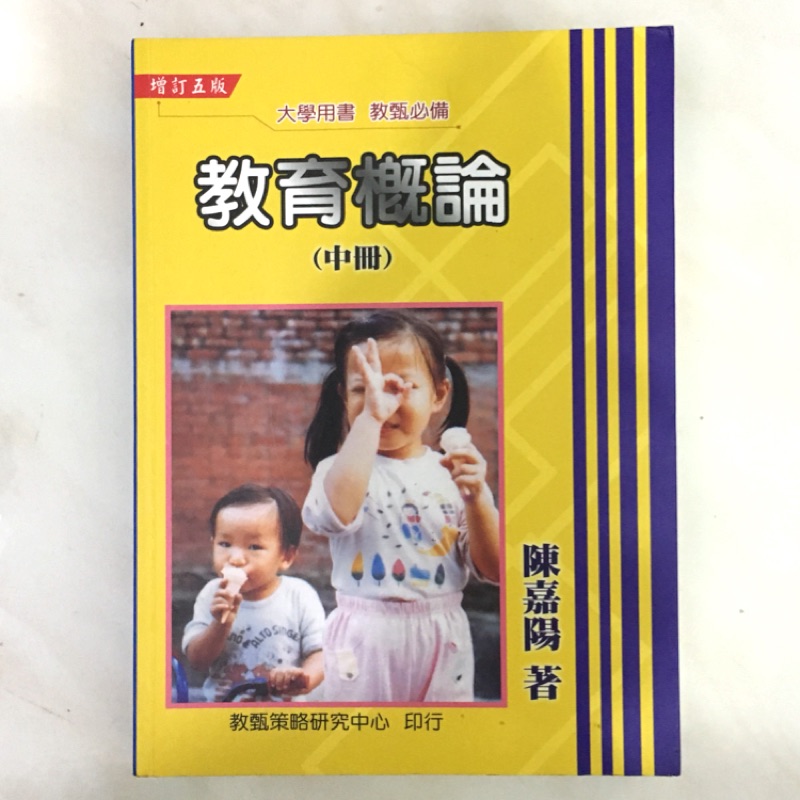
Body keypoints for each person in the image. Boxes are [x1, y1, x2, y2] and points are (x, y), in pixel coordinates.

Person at [302, 310, 499, 702]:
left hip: (444, 639)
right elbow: (335, 515)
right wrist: (369, 419)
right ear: (344, 396)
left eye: (400, 387)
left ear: (439, 394)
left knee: (440, 735)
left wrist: (477, 498)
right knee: (363, 734)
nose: (384, 401)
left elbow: (494, 569)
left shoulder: (453, 473)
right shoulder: (338, 471)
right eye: (364, 389)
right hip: (364, 637)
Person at [182, 484, 325, 702]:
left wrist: (304, 678)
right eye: (225, 544)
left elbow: (321, 654)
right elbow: (197, 661)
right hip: (226, 713)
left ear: (286, 556)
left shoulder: (299, 596)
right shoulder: (212, 594)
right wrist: (220, 625)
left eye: (254, 547)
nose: (235, 559)